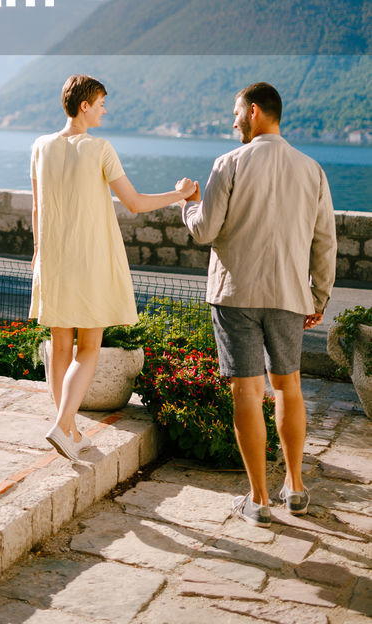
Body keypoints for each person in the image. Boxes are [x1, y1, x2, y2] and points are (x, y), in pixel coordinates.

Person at [178, 82, 337, 524]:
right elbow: (326, 242)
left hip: (236, 295)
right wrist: (319, 294)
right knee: (289, 387)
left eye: (235, 114)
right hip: (289, 294)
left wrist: (189, 203)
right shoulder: (312, 170)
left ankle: (259, 500)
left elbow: (205, 230)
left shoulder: (228, 164)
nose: (232, 122)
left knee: (247, 393)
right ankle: (297, 488)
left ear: (253, 111)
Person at [30, 73, 198, 462]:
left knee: (59, 346)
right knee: (88, 347)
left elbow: (38, 208)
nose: (106, 109)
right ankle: (63, 424)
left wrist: (38, 251)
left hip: (52, 258)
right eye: (102, 103)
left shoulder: (39, 146)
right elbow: (135, 203)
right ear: (85, 106)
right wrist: (182, 194)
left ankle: (68, 428)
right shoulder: (100, 148)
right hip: (90, 260)